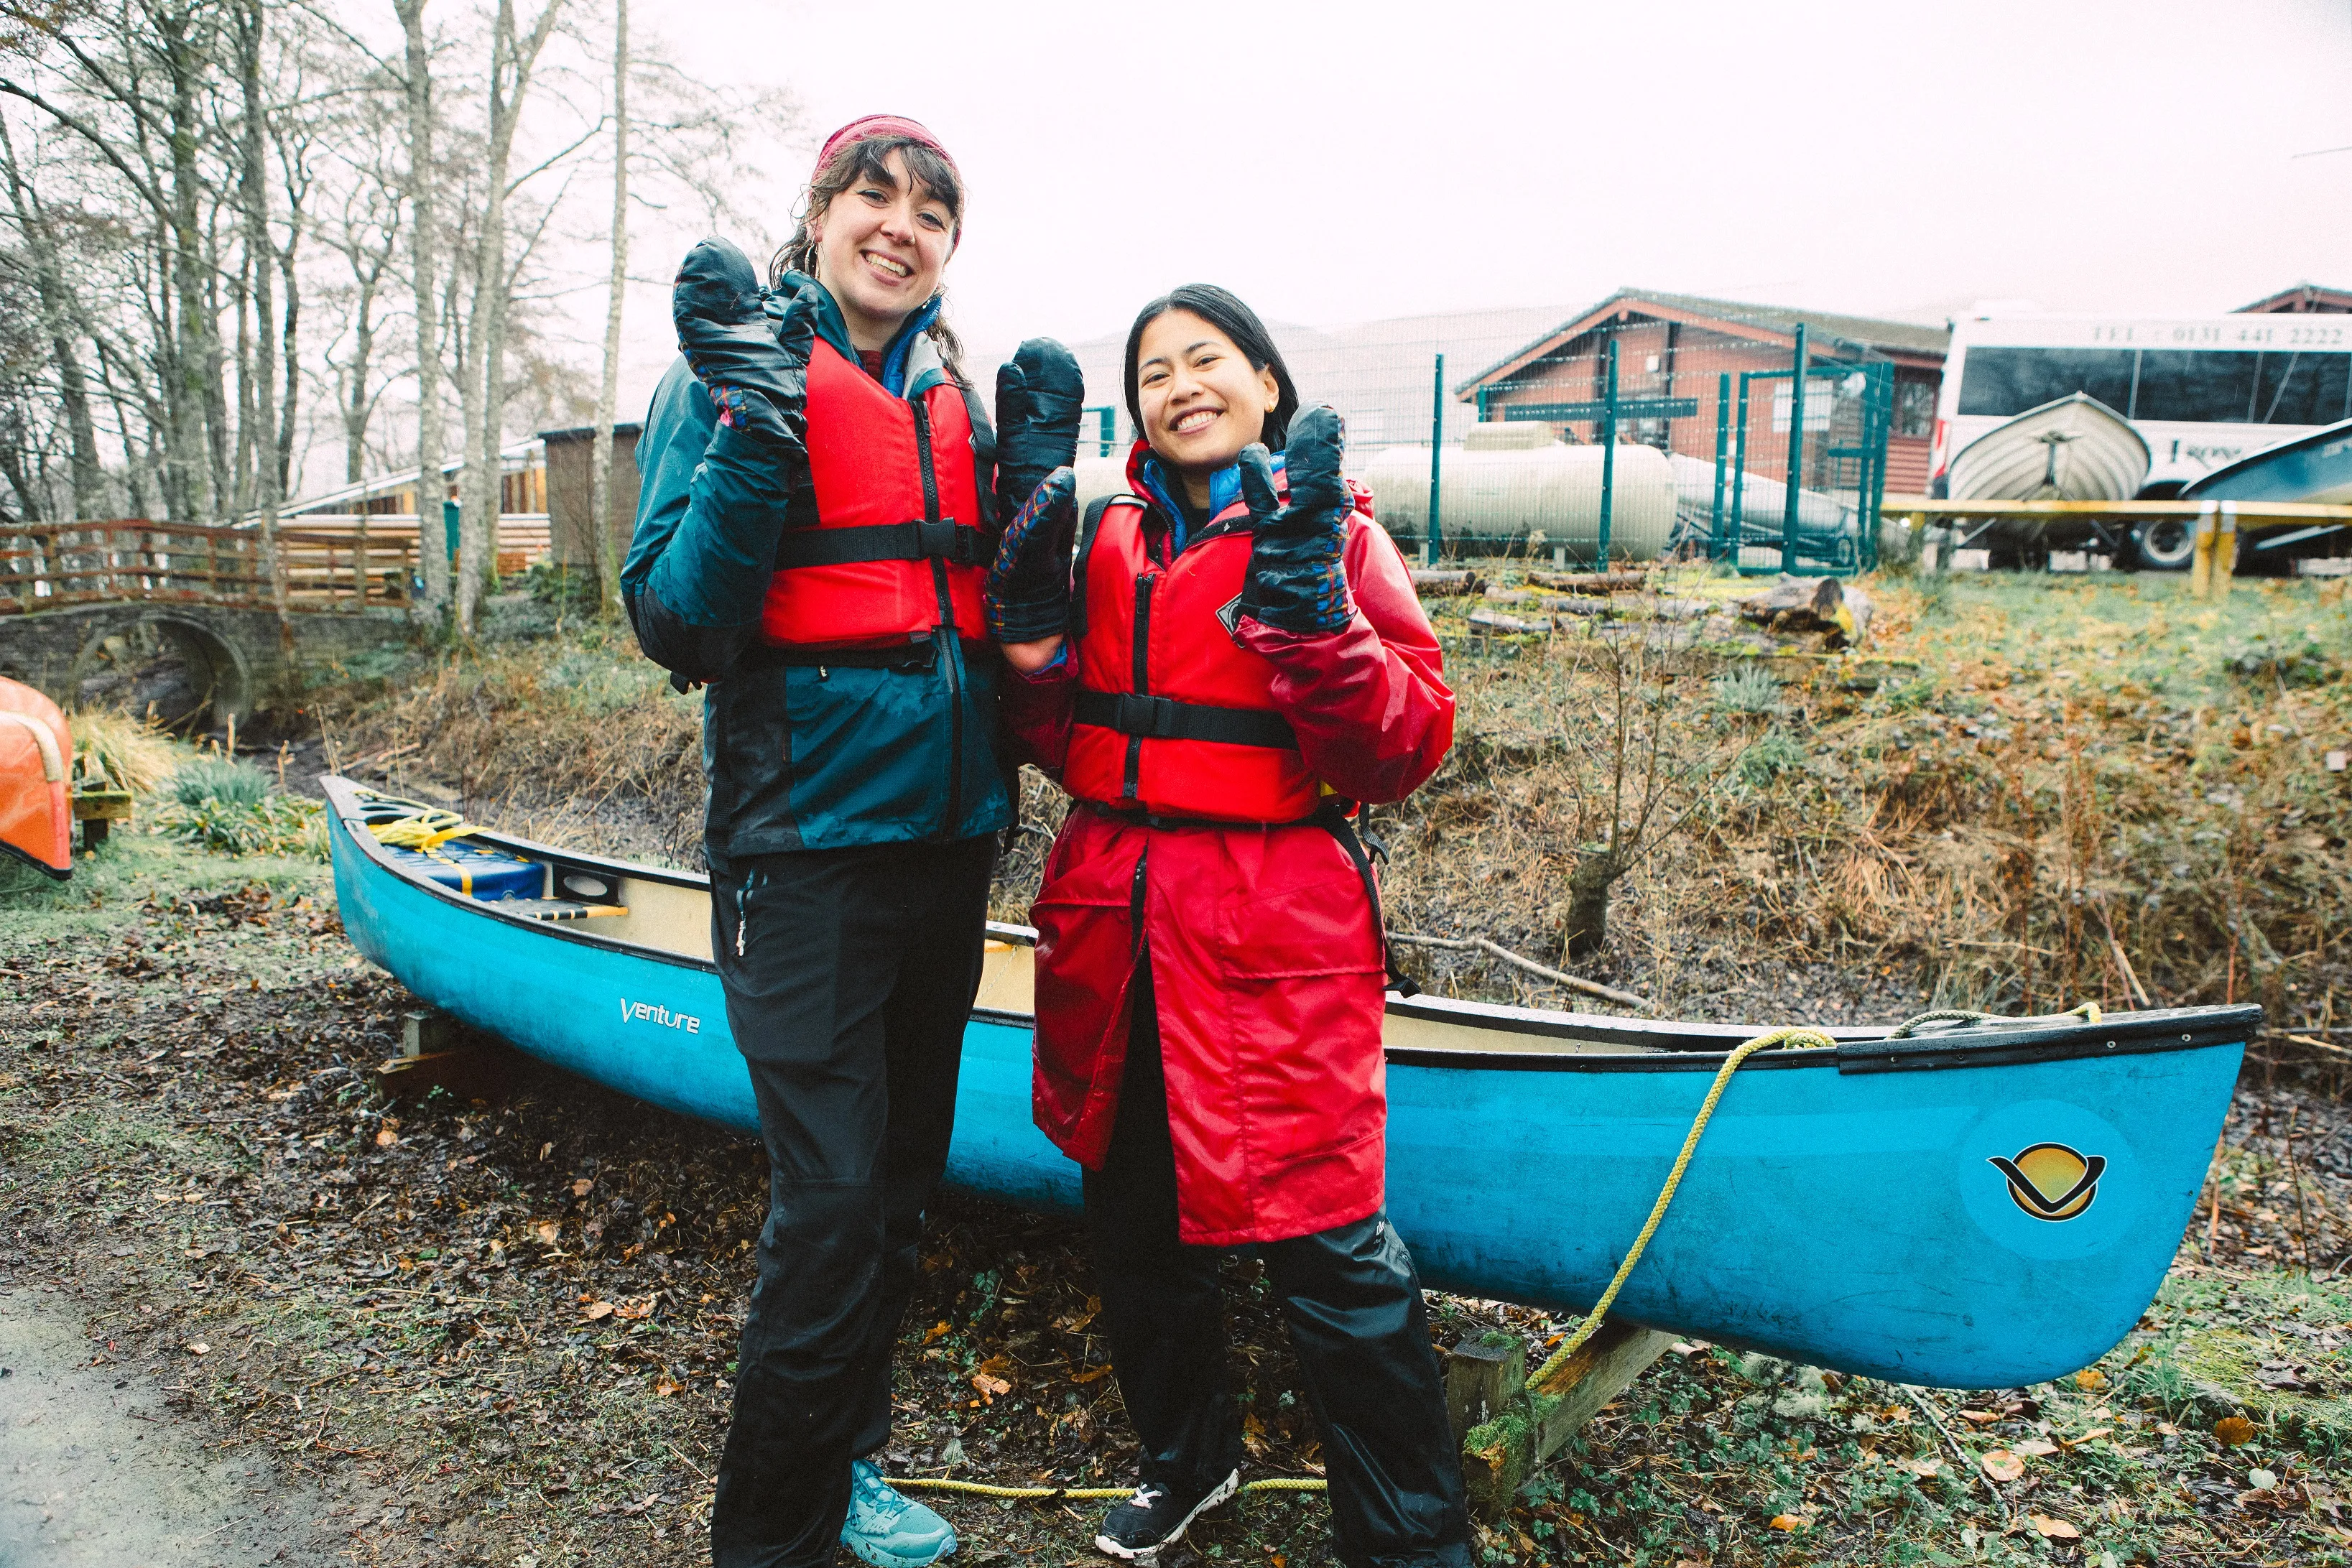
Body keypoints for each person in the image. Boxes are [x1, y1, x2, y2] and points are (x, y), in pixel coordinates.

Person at [624, 115, 1083, 1568]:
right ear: (817, 214)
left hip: (945, 846)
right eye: (871, 197)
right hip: (801, 853)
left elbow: (1014, 634)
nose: (900, 225)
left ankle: (848, 1467)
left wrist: (1042, 528)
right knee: (824, 1210)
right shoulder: (725, 376)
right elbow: (680, 621)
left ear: (953, 245)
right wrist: (761, 423)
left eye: (931, 211)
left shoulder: (960, 392)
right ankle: (767, 1537)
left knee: (889, 1196)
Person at [986, 284, 1469, 1567]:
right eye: (1153, 372)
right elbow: (1055, 739)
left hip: (1271, 932)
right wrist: (1026, 645)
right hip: (1113, 918)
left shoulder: (1339, 538)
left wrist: (1315, 616)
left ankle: (1413, 1544)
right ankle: (1187, 1465)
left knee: (1332, 1256)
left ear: (1266, 383)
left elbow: (1401, 748)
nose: (1180, 386)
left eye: (1207, 360)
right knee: (1135, 1221)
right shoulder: (1101, 537)